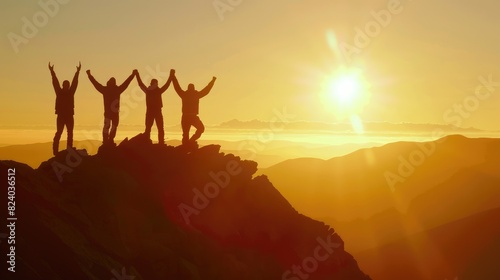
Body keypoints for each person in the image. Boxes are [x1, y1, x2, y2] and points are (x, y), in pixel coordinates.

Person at [87, 69, 136, 146]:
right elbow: (126, 83)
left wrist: (89, 75)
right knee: (112, 126)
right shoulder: (116, 89)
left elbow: (95, 84)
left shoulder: (106, 90)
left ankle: (107, 140)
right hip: (113, 112)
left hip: (110, 112)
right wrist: (132, 75)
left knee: (109, 126)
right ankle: (109, 140)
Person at [171, 70, 217, 146]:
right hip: (191, 116)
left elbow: (177, 86)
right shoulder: (196, 95)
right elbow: (206, 90)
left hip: (186, 117)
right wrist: (213, 81)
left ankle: (188, 143)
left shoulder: (184, 94)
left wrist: (173, 76)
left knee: (186, 134)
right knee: (200, 129)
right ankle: (190, 142)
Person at [49, 62, 81, 155]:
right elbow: (55, 82)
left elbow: (75, 83)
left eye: (67, 85)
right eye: (65, 85)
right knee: (59, 132)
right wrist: (52, 72)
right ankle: (55, 151)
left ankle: (69, 149)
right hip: (62, 116)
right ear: (63, 86)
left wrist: (77, 72)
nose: (67, 86)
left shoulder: (70, 92)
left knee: (70, 133)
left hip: (69, 115)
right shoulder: (59, 92)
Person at [135, 69, 173, 144]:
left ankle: (155, 142)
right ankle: (159, 142)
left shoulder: (149, 91)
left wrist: (137, 74)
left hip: (151, 112)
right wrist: (171, 76)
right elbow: (167, 85)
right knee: (155, 128)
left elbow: (140, 84)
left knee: (151, 128)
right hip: (155, 111)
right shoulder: (155, 91)